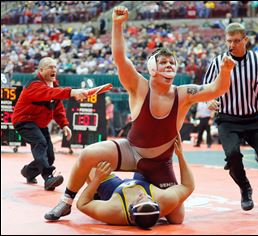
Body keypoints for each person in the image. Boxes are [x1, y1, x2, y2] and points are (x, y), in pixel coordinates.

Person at [44, 6, 235, 221]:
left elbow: (216, 89)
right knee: (88, 154)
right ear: (152, 68)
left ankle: (137, 183)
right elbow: (119, 58)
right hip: (132, 150)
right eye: (163, 62)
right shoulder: (139, 87)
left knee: (177, 217)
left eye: (172, 62)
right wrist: (117, 25)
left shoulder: (183, 94)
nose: (169, 65)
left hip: (160, 162)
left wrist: (226, 72)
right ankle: (67, 201)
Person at [204, 22, 258, 217]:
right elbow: (205, 89)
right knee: (232, 156)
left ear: (245, 40)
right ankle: (245, 187)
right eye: (229, 41)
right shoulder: (218, 62)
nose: (232, 45)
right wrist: (210, 99)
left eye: (236, 41)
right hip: (228, 119)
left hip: (254, 118)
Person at [76, 135, 195, 229]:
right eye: (147, 198)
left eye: (139, 198)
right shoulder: (163, 199)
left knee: (89, 163)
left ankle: (98, 194)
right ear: (155, 203)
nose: (142, 195)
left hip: (115, 191)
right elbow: (188, 186)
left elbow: (82, 204)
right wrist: (180, 156)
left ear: (130, 207)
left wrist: (96, 180)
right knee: (177, 218)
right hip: (145, 182)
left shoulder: (114, 211)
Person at [12, 57, 88, 191]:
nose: (54, 69)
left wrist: (64, 124)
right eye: (50, 67)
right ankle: (48, 178)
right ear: (41, 70)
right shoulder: (34, 85)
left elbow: (58, 109)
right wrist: (72, 92)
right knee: (40, 142)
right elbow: (50, 93)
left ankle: (28, 172)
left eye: (55, 67)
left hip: (40, 124)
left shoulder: (55, 85)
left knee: (50, 157)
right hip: (24, 121)